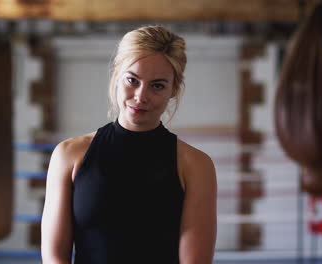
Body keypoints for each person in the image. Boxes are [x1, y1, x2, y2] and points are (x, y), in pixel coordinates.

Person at [41, 25, 217, 264]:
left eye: (157, 85)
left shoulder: (195, 165)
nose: (141, 96)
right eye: (132, 80)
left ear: (173, 89)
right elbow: (54, 257)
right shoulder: (69, 155)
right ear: (116, 76)